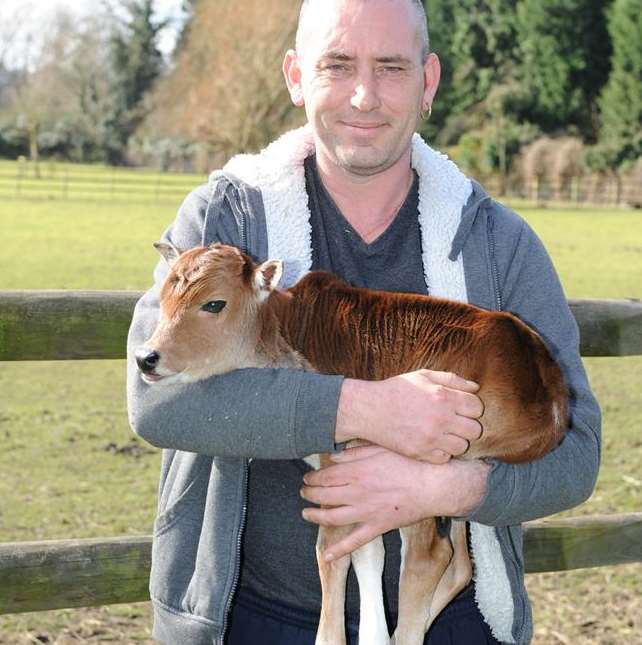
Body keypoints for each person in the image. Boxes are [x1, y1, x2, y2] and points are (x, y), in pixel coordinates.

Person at [126, 1, 601, 643]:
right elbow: (156, 405)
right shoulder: (224, 220)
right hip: (253, 618)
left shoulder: (499, 243)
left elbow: (576, 457)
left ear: (428, 81)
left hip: (450, 620)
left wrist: (444, 486)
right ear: (296, 77)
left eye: (391, 68)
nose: (364, 95)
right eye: (338, 64)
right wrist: (366, 408)